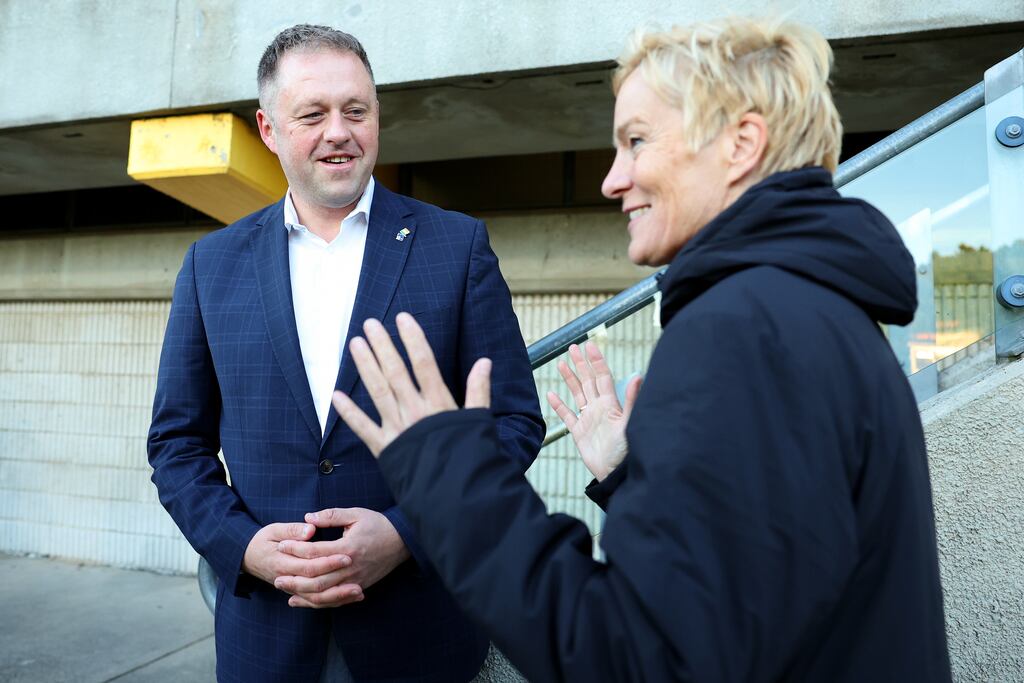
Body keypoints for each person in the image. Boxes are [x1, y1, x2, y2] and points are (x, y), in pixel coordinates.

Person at [323, 17, 953, 682]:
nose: (612, 179)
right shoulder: (810, 307)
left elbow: (640, 661)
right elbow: (755, 593)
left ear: (741, 144)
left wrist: (452, 477)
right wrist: (635, 478)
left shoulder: (745, 326)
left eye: (637, 141)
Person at [146, 24, 545, 683]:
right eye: (313, 114)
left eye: (356, 110)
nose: (340, 131)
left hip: (424, 632)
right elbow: (175, 445)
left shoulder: (457, 247)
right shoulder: (209, 266)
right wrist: (245, 548)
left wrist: (406, 533)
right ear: (269, 129)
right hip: (267, 641)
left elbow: (512, 422)